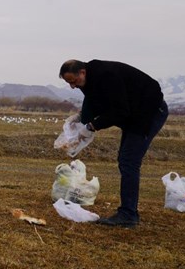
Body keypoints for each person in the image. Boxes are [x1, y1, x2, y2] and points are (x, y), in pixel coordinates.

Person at [59, 59, 168, 228]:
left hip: (148, 112)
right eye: (69, 83)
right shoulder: (89, 81)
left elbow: (120, 111)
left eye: (73, 81)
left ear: (82, 72)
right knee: (125, 161)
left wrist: (92, 126)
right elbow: (92, 102)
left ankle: (128, 215)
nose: (73, 86)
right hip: (134, 115)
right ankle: (128, 212)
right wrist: (80, 118)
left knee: (129, 161)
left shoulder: (107, 76)